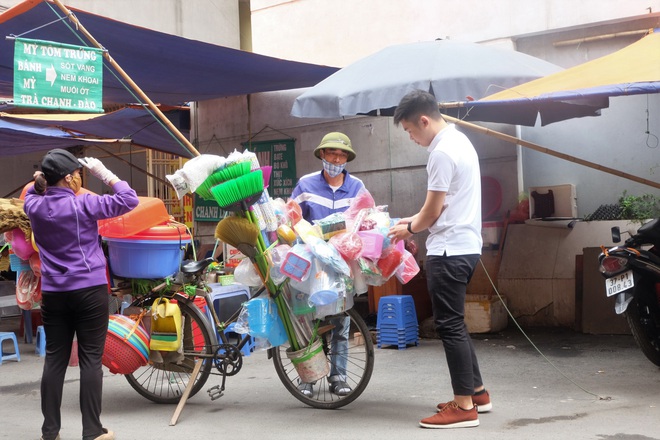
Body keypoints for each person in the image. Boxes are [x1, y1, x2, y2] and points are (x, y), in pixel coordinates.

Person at [388, 90, 491, 429]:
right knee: (456, 323)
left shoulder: (441, 152)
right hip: (466, 245)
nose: (411, 138)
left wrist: (411, 229)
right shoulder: (460, 142)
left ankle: (463, 408)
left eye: (409, 131)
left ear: (423, 120)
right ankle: (476, 393)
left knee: (448, 325)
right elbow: (442, 205)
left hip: (448, 250)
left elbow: (432, 211)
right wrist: (411, 221)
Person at [24, 149, 139, 440]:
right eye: (76, 174)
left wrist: (41, 180)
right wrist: (106, 174)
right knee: (90, 359)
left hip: (53, 293)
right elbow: (129, 199)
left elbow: (31, 189)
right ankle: (92, 431)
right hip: (89, 291)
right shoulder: (84, 203)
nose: (79, 178)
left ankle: (50, 432)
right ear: (67, 178)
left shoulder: (34, 205)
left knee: (55, 360)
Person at [290, 132, 365, 397]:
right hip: (312, 263)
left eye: (342, 154)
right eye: (331, 153)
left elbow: (366, 219)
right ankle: (308, 377)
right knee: (309, 321)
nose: (336, 158)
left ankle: (339, 376)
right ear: (322, 155)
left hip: (342, 264)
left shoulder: (357, 187)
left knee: (341, 322)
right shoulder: (305, 184)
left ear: (347, 158)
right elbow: (292, 220)